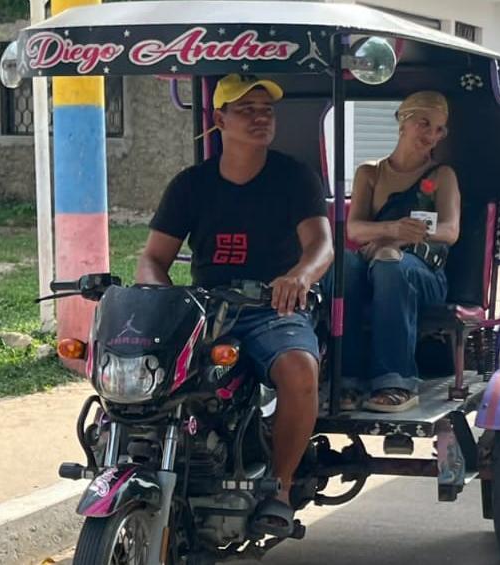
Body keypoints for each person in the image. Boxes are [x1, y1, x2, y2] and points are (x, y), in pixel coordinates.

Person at [136, 74, 332, 538]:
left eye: (267, 109)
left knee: (300, 368)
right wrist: (164, 298)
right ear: (218, 118)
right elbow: (152, 259)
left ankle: (279, 489)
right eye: (247, 109)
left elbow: (322, 246)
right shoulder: (190, 185)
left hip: (273, 307)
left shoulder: (294, 176)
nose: (260, 117)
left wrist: (299, 276)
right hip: (205, 309)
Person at [340, 91, 460, 413]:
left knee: (391, 265)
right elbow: (354, 230)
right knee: (344, 266)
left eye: (438, 129)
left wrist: (410, 237)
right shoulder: (370, 173)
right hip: (372, 263)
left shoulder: (442, 176)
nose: (430, 135)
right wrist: (391, 229)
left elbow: (450, 231)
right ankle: (345, 377)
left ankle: (396, 380)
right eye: (424, 124)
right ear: (402, 123)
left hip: (422, 273)